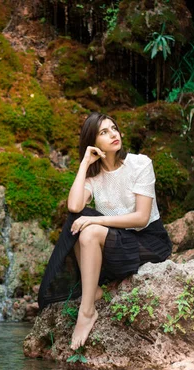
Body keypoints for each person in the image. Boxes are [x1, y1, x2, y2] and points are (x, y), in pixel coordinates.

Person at [37, 112, 172, 351]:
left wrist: (97, 223)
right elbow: (74, 206)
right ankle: (93, 292)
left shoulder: (140, 164)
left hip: (148, 242)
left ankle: (87, 311)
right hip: (117, 243)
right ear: (93, 142)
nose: (113, 135)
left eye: (114, 129)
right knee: (79, 220)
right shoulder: (94, 177)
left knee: (88, 228)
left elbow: (141, 218)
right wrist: (84, 164)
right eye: (103, 132)